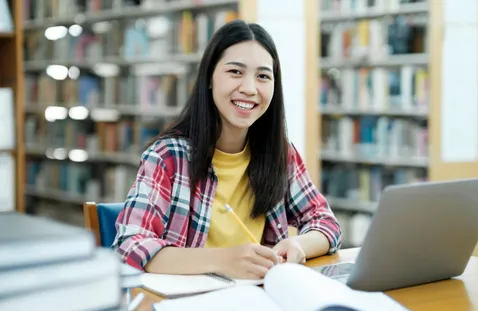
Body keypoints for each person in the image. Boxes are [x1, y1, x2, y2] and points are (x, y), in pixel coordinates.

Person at [112, 19, 342, 280]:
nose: (249, 88)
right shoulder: (168, 157)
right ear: (210, 77)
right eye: (235, 72)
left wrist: (299, 244)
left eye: (263, 76)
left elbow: (326, 222)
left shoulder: (280, 154)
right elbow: (128, 246)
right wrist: (225, 260)